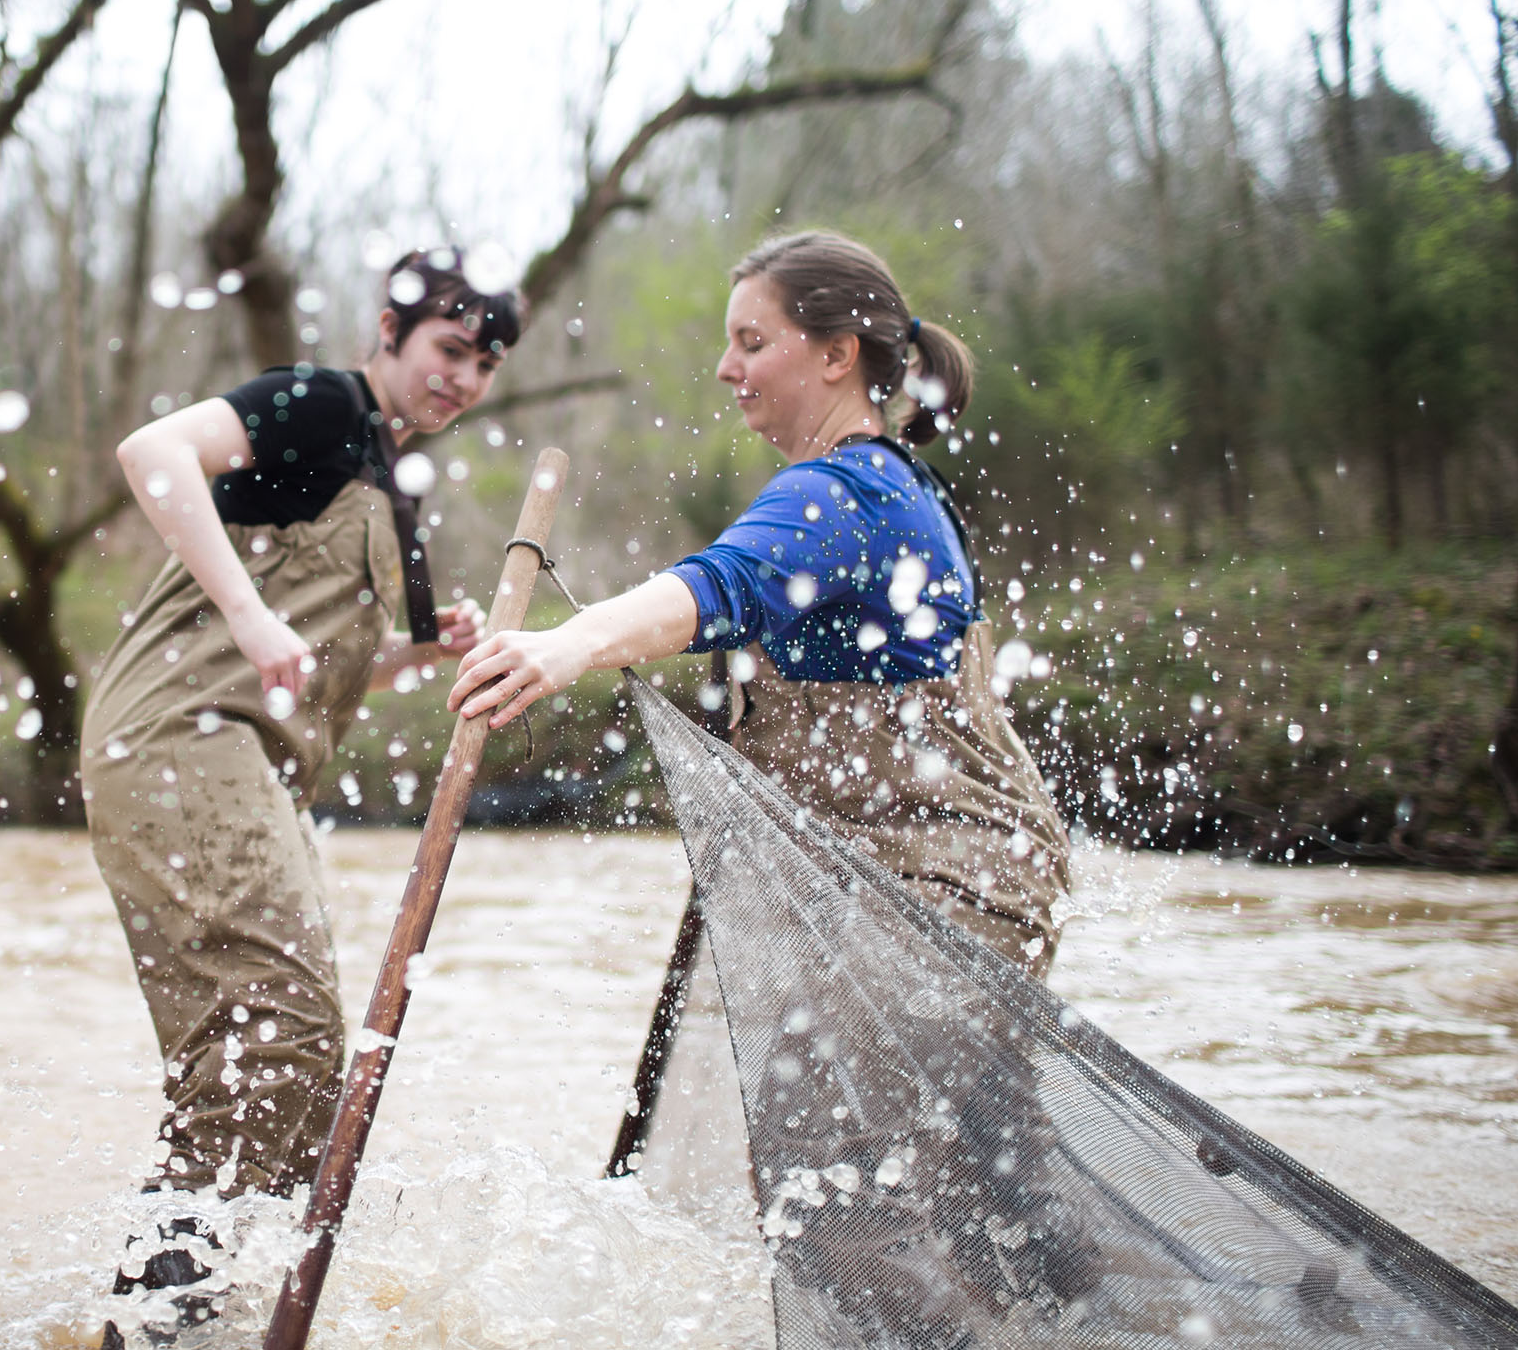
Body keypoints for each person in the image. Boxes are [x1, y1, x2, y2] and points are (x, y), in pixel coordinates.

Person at [81, 250, 522, 1336]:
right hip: (181, 736)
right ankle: (152, 1326)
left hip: (250, 764)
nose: (464, 378)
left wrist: (424, 651)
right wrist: (244, 610)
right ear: (390, 331)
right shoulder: (321, 402)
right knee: (273, 1029)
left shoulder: (389, 485)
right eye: (450, 348)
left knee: (307, 1060)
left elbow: (324, 663)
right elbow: (152, 452)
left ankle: (207, 1314)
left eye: (486, 364)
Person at [448, 229, 1069, 974]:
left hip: (942, 899)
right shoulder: (892, 482)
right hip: (940, 885)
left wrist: (567, 645)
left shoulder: (845, 493)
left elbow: (718, 585)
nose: (725, 368)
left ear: (837, 355)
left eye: (752, 342)